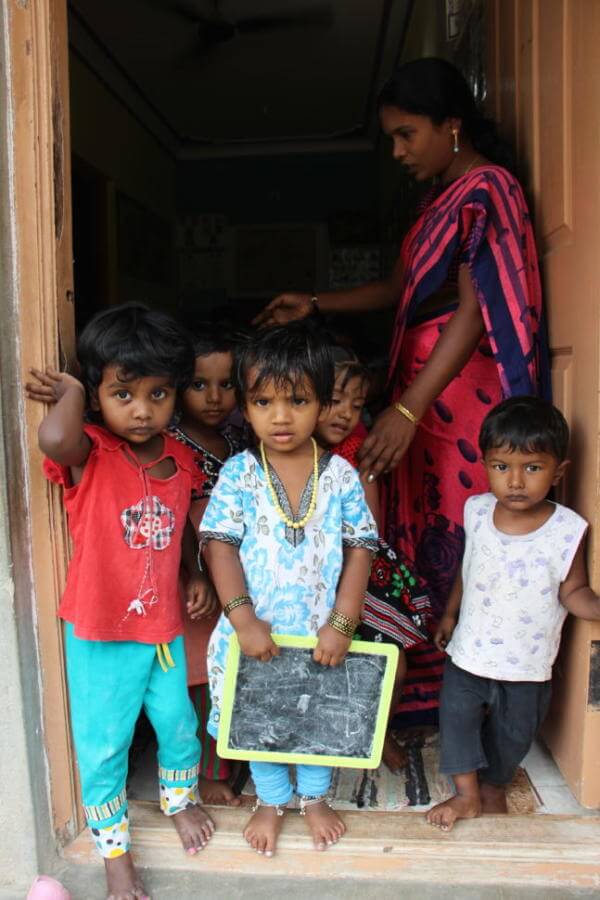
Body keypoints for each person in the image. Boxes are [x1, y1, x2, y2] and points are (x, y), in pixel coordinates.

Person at [254, 57, 548, 637]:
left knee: (458, 525)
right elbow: (396, 289)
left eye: (406, 135)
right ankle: (417, 671)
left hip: (457, 395)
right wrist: (313, 304)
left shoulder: (488, 189)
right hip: (418, 397)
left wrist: (408, 410)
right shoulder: (435, 204)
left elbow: (474, 309)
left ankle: (463, 674)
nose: (398, 152)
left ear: (452, 125)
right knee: (415, 524)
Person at [25, 304, 215, 900]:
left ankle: (178, 800)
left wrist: (192, 570)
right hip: (101, 632)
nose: (141, 409)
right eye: (122, 392)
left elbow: (181, 522)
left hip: (161, 627)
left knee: (179, 725)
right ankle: (116, 857)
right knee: (104, 744)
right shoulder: (92, 452)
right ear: (100, 395)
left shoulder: (181, 458)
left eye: (157, 393)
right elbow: (54, 438)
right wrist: (73, 392)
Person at [198, 323, 378, 857]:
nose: (280, 416)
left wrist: (343, 623)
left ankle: (315, 796)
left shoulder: (342, 474)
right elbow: (219, 545)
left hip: (319, 633)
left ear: (323, 404)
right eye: (263, 401)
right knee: (260, 720)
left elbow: (360, 548)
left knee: (316, 715)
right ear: (246, 407)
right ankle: (272, 801)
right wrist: (242, 618)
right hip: (255, 631)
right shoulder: (239, 473)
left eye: (297, 400)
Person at [426, 396, 600, 832]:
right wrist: (450, 615)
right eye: (502, 467)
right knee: (457, 720)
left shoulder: (566, 529)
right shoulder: (478, 510)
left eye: (533, 468)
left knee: (514, 734)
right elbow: (470, 567)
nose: (516, 481)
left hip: (527, 663)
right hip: (469, 654)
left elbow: (574, 590)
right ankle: (466, 793)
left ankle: (494, 783)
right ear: (485, 465)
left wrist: (595, 608)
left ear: (558, 471)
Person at [314, 345, 432, 773]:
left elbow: (369, 533)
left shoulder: (358, 452)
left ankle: (376, 735)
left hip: (361, 579)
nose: (345, 413)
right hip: (303, 580)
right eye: (334, 400)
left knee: (390, 666)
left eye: (357, 404)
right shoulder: (283, 449)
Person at [169, 325, 245, 806]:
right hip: (190, 577)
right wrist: (198, 574)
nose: (214, 397)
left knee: (236, 667)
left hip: (235, 572)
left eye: (226, 384)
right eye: (200, 385)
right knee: (200, 674)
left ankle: (235, 759)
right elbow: (174, 516)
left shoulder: (238, 441)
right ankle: (208, 773)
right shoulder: (170, 443)